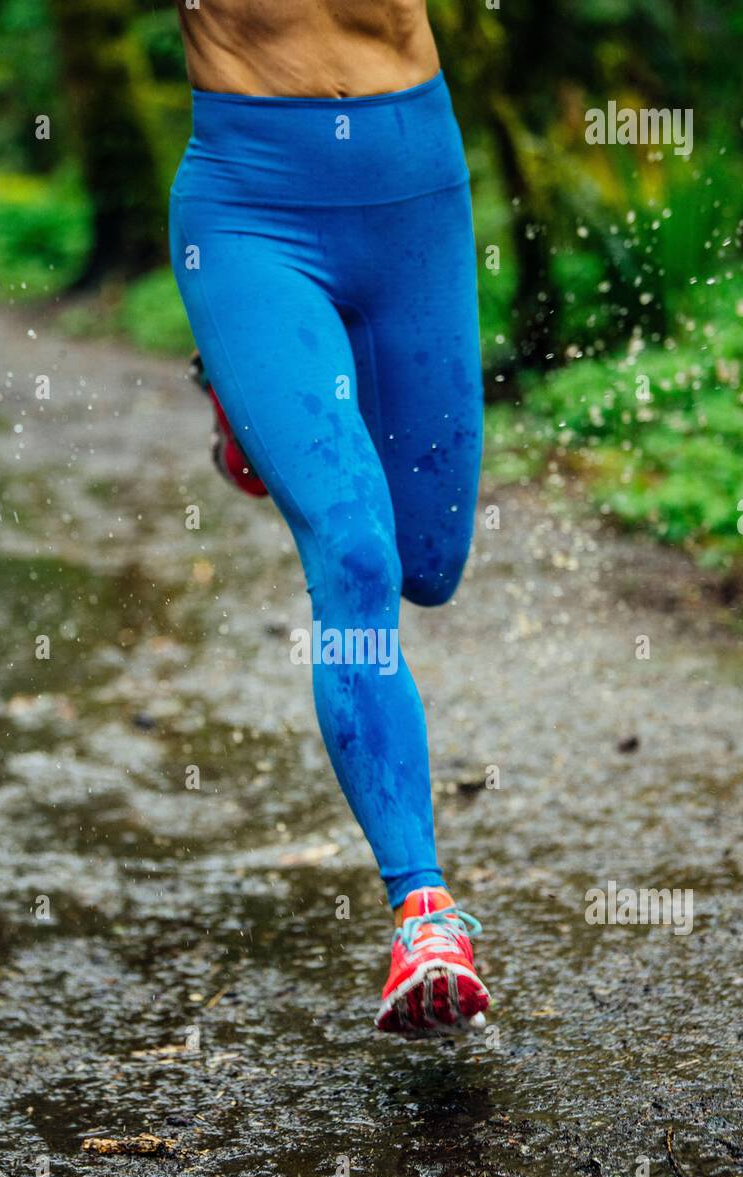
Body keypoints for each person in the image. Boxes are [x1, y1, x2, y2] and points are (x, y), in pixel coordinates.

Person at [170, 0, 490, 1035]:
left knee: (426, 563)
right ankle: (422, 911)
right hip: (249, 208)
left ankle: (248, 405)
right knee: (355, 554)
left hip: (413, 194)